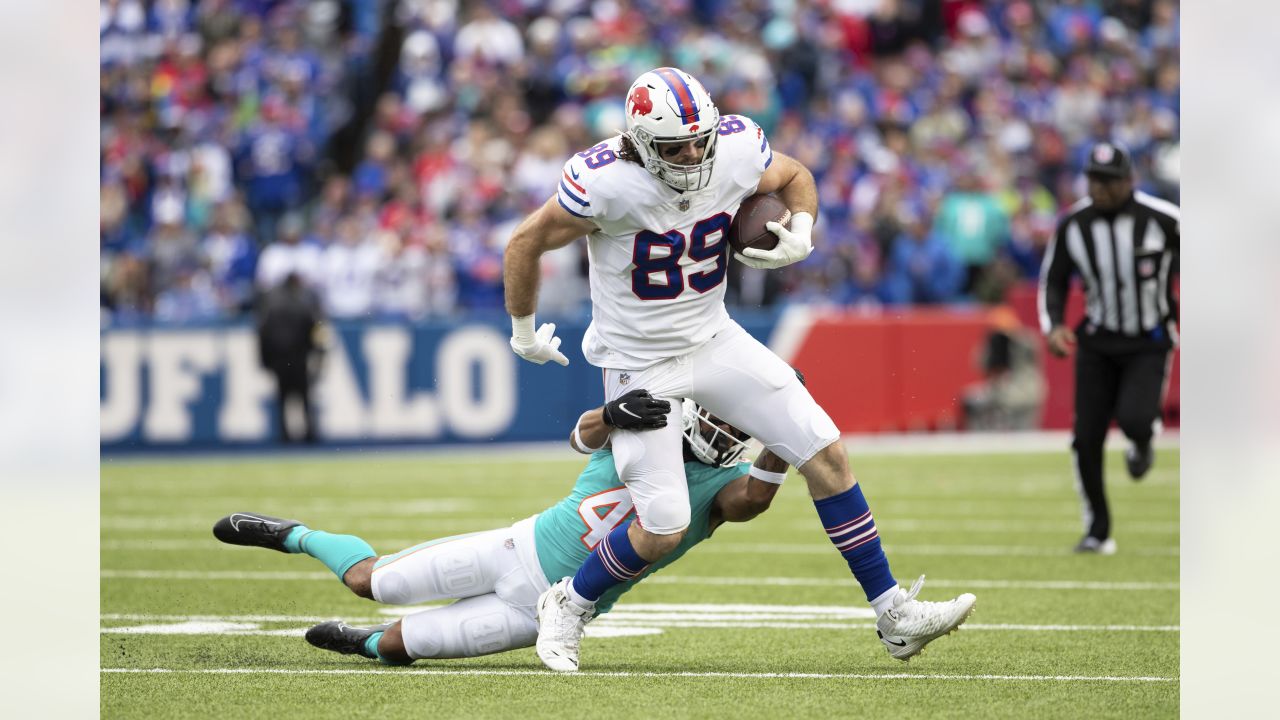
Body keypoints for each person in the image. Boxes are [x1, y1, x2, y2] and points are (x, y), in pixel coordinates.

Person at [501, 67, 975, 672]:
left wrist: (802, 226)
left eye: (700, 140)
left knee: (824, 449)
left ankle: (893, 613)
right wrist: (522, 330)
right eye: (677, 147)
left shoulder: (736, 145)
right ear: (642, 142)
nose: (695, 154)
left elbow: (797, 174)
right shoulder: (603, 183)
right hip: (637, 361)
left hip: (713, 335)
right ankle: (568, 603)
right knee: (666, 524)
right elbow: (525, 241)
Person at [211, 389, 789, 664]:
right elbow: (582, 437)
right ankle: (294, 535)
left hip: (538, 612)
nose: (721, 433)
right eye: (716, 417)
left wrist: (784, 437)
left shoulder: (725, 486)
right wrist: (612, 413)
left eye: (736, 426)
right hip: (513, 551)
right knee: (369, 581)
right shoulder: (648, 430)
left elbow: (756, 501)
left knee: (394, 647)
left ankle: (360, 641)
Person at [1038, 141, 1180, 554]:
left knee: (1135, 420)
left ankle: (1142, 439)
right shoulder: (1074, 224)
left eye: (1108, 180)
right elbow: (1054, 279)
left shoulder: (1164, 220)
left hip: (1149, 339)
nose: (1098, 188)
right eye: (1093, 179)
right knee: (1086, 437)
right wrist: (1054, 326)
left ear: (1128, 181)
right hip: (1098, 340)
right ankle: (1097, 529)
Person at [255, 271, 324, 443]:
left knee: (283, 400)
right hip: (300, 360)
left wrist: (265, 360)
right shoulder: (302, 305)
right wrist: (316, 353)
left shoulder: (272, 308)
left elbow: (263, 334)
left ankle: (284, 436)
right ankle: (309, 434)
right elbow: (314, 331)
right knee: (304, 399)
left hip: (280, 361)